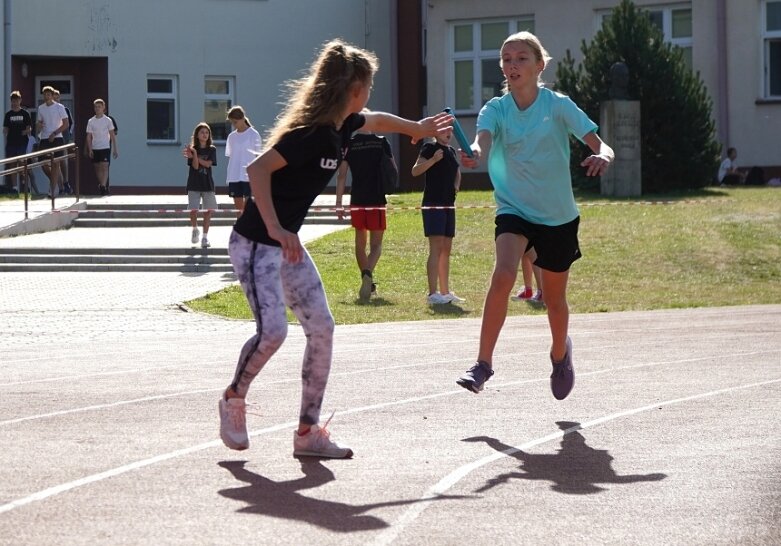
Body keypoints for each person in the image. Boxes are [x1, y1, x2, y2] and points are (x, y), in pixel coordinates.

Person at [218, 38, 452, 459]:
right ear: (354, 89)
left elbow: (376, 120)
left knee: (322, 328)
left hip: (284, 245)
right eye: (369, 86)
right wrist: (275, 227)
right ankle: (233, 398)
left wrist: (416, 129)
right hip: (254, 243)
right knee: (273, 332)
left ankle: (308, 433)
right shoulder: (312, 135)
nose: (370, 95)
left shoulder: (345, 125)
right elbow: (257, 171)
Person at [455, 31, 614, 401]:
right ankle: (482, 364)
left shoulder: (558, 105)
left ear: (539, 65)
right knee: (504, 273)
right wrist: (475, 152)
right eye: (506, 58)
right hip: (514, 209)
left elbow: (598, 142)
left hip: (558, 217)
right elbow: (482, 139)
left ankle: (560, 355)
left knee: (554, 301)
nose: (513, 64)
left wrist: (604, 155)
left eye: (522, 58)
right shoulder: (495, 109)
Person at [335, 127, 395, 300]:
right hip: (376, 197)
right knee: (376, 245)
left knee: (360, 244)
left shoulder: (349, 144)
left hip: (358, 198)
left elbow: (341, 175)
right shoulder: (382, 142)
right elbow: (392, 169)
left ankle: (366, 280)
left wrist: (339, 203)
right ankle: (368, 274)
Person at [411, 131, 464, 305]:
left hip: (449, 204)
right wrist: (433, 160)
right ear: (436, 132)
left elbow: (457, 172)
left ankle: (445, 292)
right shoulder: (429, 147)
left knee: (446, 249)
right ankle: (432, 294)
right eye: (444, 130)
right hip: (433, 203)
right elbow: (415, 171)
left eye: (450, 130)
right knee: (436, 247)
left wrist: (456, 186)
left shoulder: (451, 151)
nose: (448, 133)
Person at [182, 122, 217, 248]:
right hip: (194, 184)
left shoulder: (212, 149)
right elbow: (196, 166)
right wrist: (194, 154)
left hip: (207, 184)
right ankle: (194, 229)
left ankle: (205, 237)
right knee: (193, 210)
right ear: (197, 134)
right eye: (202, 132)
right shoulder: (191, 149)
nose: (205, 134)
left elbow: (208, 164)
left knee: (208, 211)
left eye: (207, 132)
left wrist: (196, 157)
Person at [225, 106, 262, 217]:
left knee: (248, 206)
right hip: (234, 175)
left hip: (248, 175)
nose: (234, 125)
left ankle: (248, 228)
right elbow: (230, 156)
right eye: (232, 122)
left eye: (235, 122)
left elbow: (258, 156)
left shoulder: (254, 134)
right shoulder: (231, 137)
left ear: (242, 119)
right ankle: (240, 227)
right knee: (238, 209)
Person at [35, 86, 69, 198]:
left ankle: (53, 190)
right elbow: (39, 123)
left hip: (57, 137)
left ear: (52, 95)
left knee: (55, 163)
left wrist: (54, 133)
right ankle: (55, 182)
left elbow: (66, 124)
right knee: (43, 163)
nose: (46, 97)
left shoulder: (59, 107)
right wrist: (38, 126)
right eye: (45, 94)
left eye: (48, 94)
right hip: (44, 138)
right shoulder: (41, 108)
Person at [85, 98, 118, 196]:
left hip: (105, 146)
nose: (97, 108)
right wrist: (90, 149)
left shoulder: (108, 120)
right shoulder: (91, 121)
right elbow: (88, 136)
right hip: (95, 147)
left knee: (104, 166)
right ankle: (102, 185)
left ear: (103, 108)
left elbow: (112, 134)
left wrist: (115, 148)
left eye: (99, 107)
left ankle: (103, 186)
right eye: (96, 107)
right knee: (97, 167)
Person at [2, 91, 32, 192]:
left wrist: (25, 131)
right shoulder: (8, 114)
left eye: (17, 100)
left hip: (22, 143)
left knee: (22, 163)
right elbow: (5, 128)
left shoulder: (25, 113)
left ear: (20, 101)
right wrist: (5, 131)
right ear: (11, 102)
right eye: (13, 101)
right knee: (12, 165)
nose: (15, 103)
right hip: (11, 143)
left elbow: (29, 128)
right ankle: (14, 187)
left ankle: (24, 184)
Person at [53, 89, 74, 194]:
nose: (56, 99)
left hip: (64, 138)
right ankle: (61, 186)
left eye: (58, 97)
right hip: (53, 138)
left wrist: (69, 136)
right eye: (54, 97)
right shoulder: (49, 109)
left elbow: (71, 123)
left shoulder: (64, 109)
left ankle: (66, 182)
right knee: (55, 162)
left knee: (63, 160)